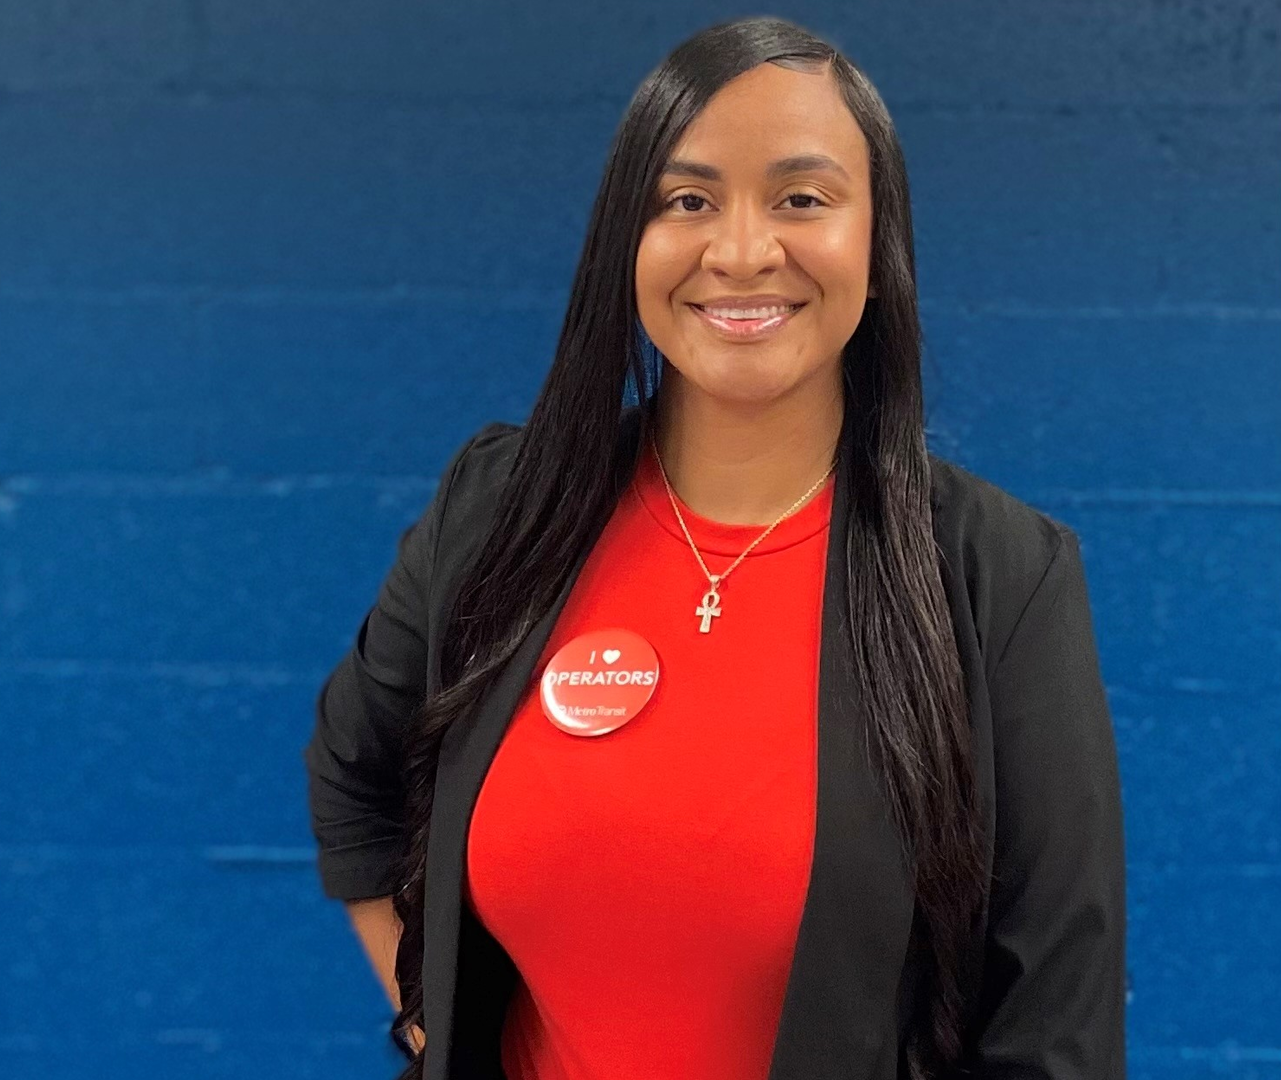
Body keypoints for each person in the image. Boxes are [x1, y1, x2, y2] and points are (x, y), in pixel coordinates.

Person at [302, 15, 1127, 1080]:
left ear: (879, 252)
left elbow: (1054, 1031)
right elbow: (351, 775)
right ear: (626, 248)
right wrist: (435, 1022)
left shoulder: (997, 577)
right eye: (687, 200)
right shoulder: (503, 509)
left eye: (802, 198)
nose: (741, 251)